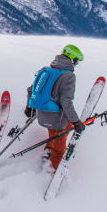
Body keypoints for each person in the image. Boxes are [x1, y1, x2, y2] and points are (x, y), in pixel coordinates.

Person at [24, 44, 86, 172]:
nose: (76, 64)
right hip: (57, 119)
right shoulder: (68, 76)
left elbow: (31, 90)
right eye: (76, 61)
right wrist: (76, 121)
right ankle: (53, 172)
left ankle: (48, 149)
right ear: (72, 59)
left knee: (54, 134)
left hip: (42, 115)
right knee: (59, 148)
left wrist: (29, 107)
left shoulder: (46, 70)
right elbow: (66, 101)